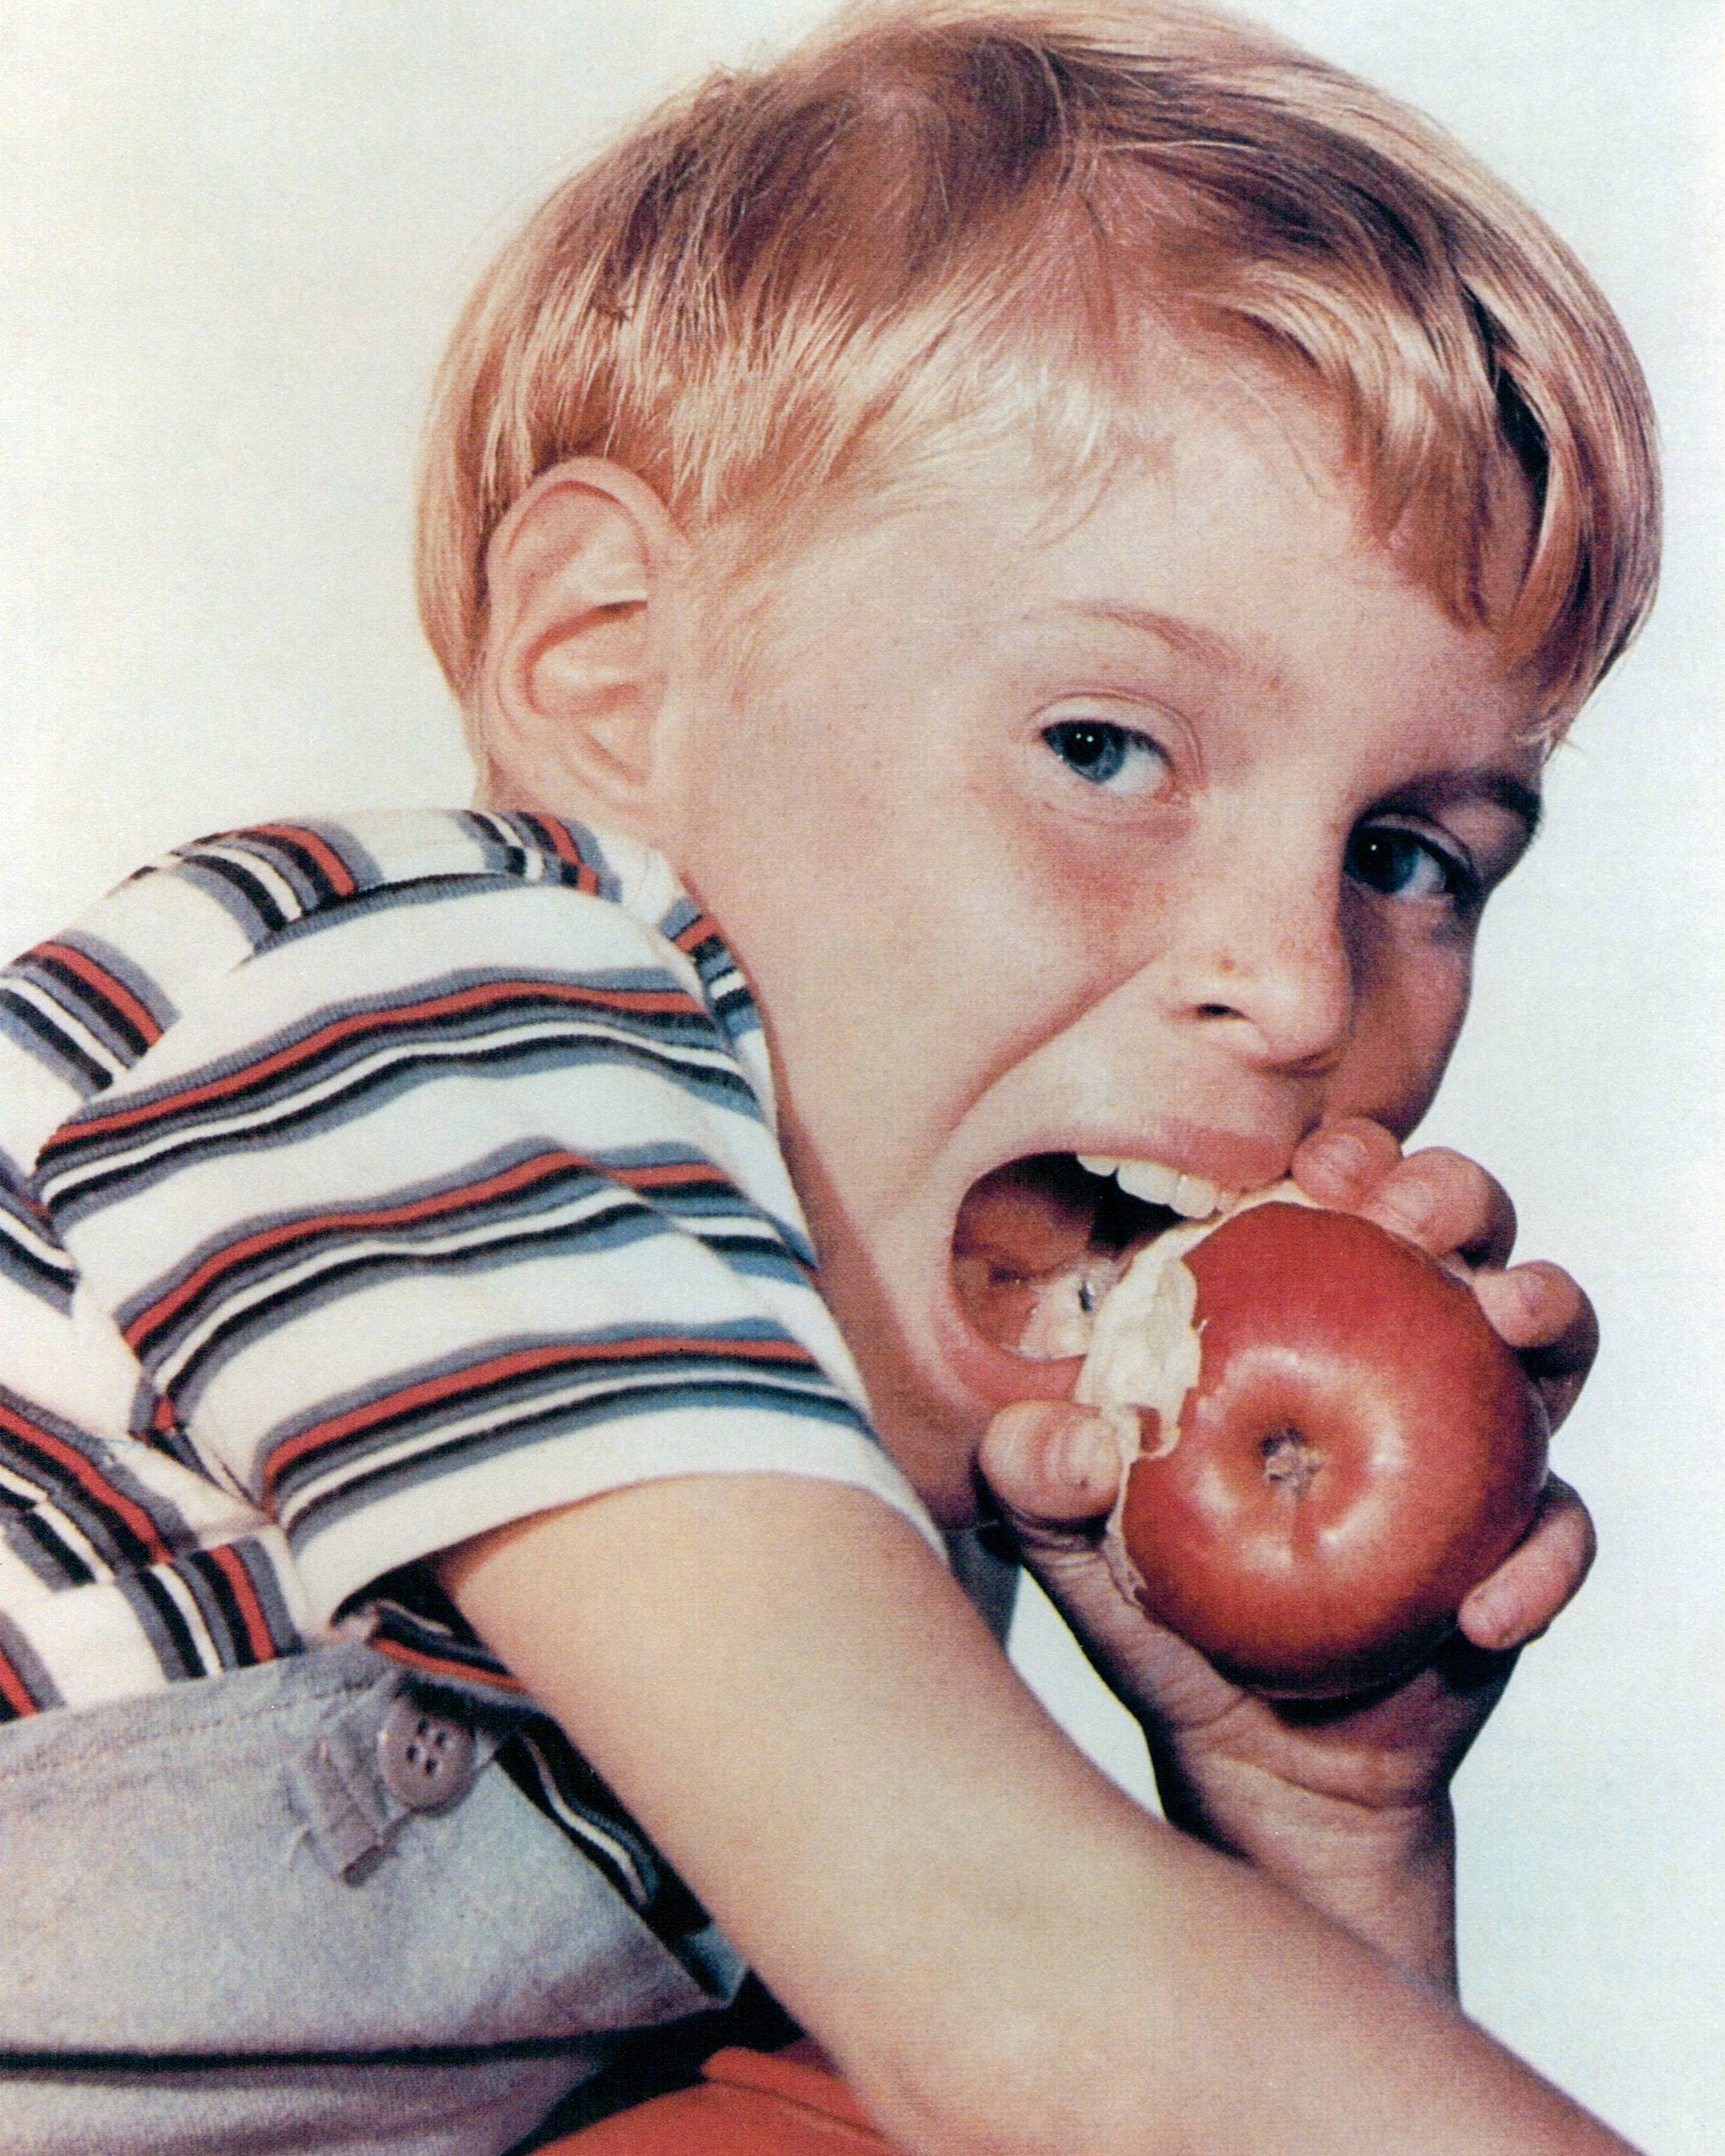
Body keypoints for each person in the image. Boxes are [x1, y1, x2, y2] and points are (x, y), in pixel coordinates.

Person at [0, 3, 1658, 2150]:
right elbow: (1017, 1998)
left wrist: (1321, 1821)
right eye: (1105, 749)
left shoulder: (853, 1492)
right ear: (607, 668)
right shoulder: (441, 1027)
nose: (1295, 980)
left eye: (1410, 856)